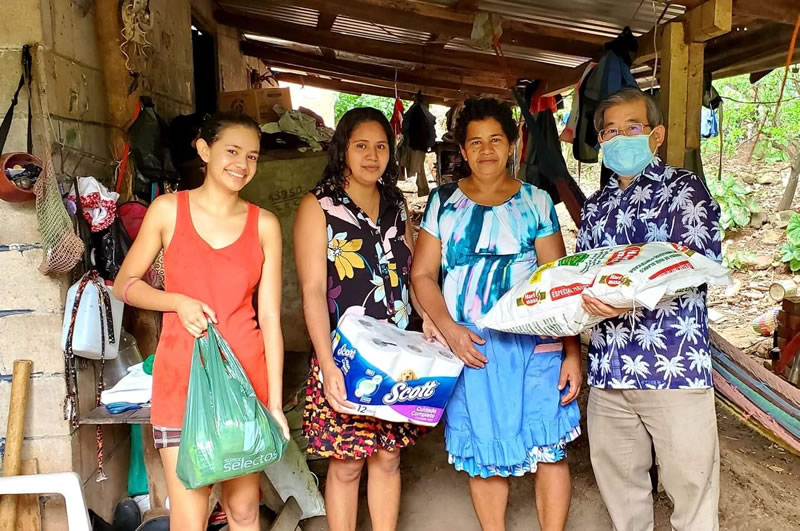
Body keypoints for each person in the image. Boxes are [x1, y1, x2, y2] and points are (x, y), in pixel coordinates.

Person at [411, 98, 582, 531]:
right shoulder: (443, 203)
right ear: (462, 151)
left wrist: (571, 352)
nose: (486, 150)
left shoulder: (536, 202)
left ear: (511, 145)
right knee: (484, 454)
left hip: (535, 343)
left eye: (495, 140)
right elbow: (423, 275)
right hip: (471, 345)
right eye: (475, 142)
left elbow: (557, 283)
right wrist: (450, 330)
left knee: (549, 447)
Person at [113, 112, 289, 531]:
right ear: (204, 150)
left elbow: (270, 318)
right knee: (190, 517)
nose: (242, 164)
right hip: (181, 382)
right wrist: (176, 302)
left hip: (246, 382)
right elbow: (125, 285)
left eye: (252, 156)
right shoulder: (167, 211)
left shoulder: (264, 224)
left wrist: (275, 404)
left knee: (243, 511)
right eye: (232, 151)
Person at [576, 87, 722, 530]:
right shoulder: (595, 207)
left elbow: (697, 265)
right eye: (610, 131)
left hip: (673, 368)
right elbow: (582, 275)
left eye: (632, 127)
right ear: (600, 143)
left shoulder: (684, 190)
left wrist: (623, 298)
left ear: (655, 135)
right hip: (609, 371)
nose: (620, 138)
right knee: (622, 494)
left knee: (691, 493)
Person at [294, 107, 442, 531]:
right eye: (361, 146)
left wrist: (427, 319)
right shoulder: (317, 206)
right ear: (343, 149)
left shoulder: (395, 204)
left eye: (381, 147)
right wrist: (326, 364)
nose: (372, 156)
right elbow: (312, 291)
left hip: (397, 353)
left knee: (389, 457)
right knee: (346, 463)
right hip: (345, 357)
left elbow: (411, 274)